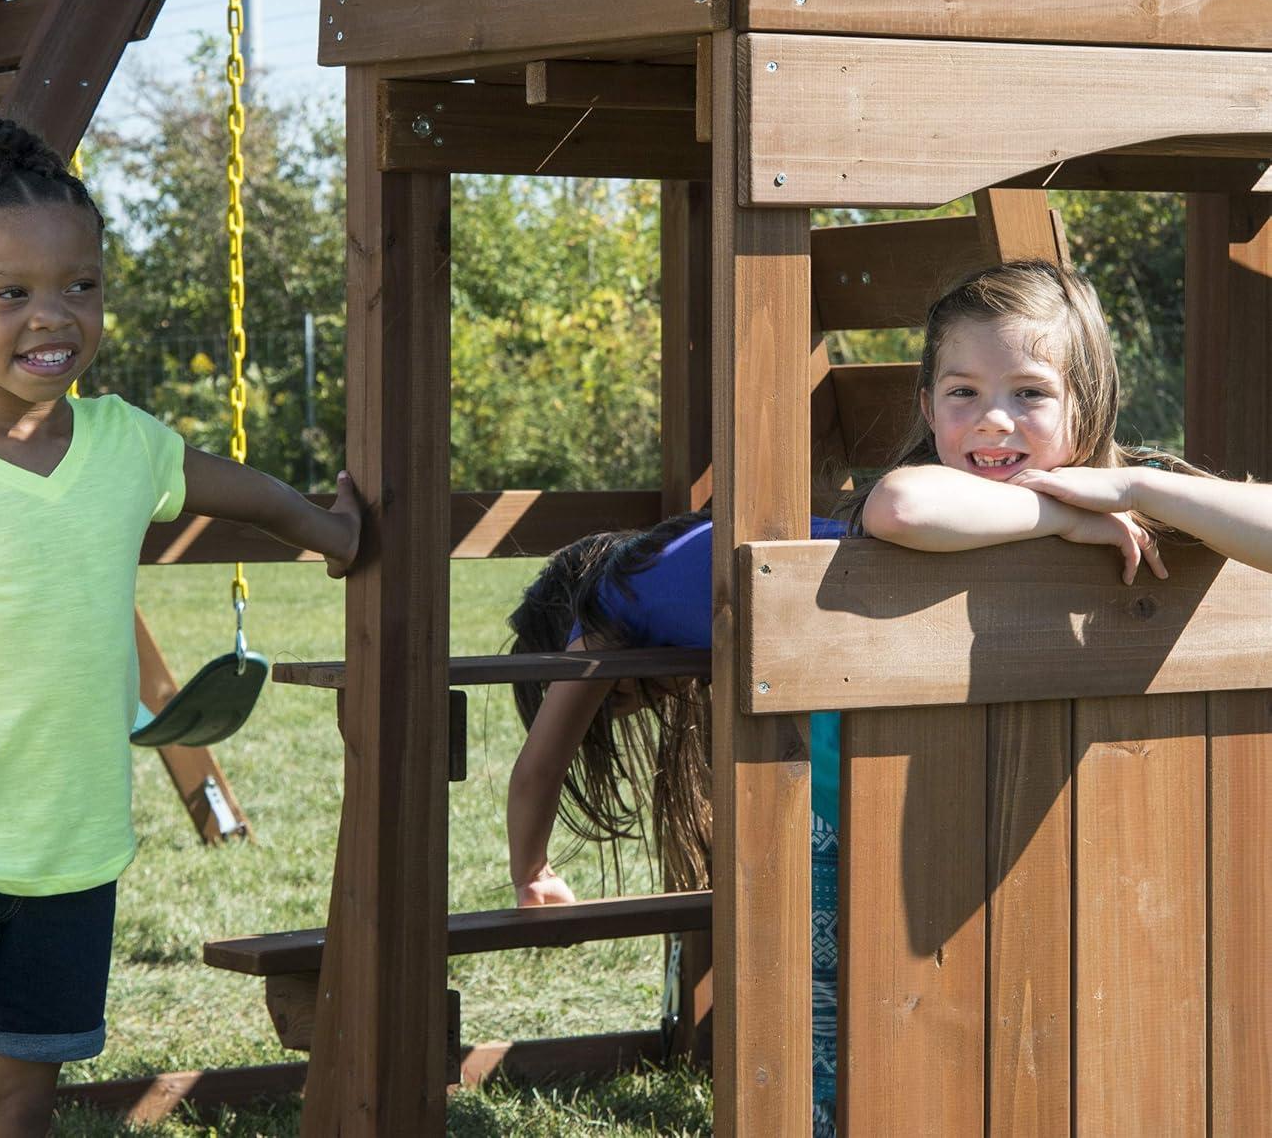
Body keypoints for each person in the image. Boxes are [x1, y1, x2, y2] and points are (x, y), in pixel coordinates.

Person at [0, 119, 362, 1138]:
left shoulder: (126, 446)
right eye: (10, 292)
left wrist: (331, 530)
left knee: (13, 1105)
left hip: (69, 848)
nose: (53, 314)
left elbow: (243, 490)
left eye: (80, 285)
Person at [506, 511, 845, 1137]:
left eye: (618, 701)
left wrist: (532, 873)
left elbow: (539, 766)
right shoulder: (685, 555)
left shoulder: (608, 608)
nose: (636, 703)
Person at [856, 260, 1272, 579]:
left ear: (1087, 406)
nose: (994, 420)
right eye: (963, 392)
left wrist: (1136, 489)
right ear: (930, 409)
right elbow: (901, 506)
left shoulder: (1131, 487)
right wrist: (1067, 517)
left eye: (1030, 393)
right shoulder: (930, 486)